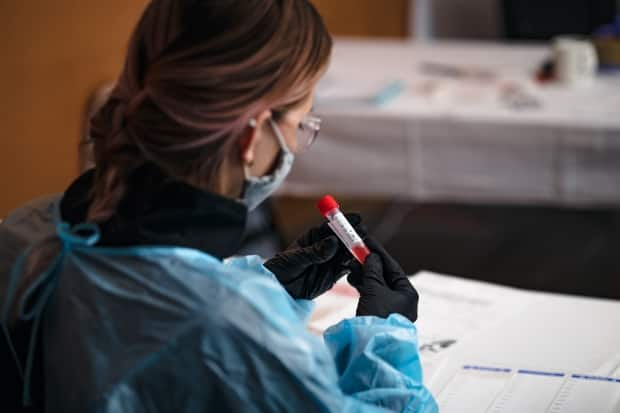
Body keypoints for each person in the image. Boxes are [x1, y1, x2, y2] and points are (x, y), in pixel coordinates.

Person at [0, 1, 437, 412]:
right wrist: (386, 336)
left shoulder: (30, 228)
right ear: (251, 137)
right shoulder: (231, 325)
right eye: (302, 125)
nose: (299, 143)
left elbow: (140, 323)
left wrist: (267, 288)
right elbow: (200, 327)